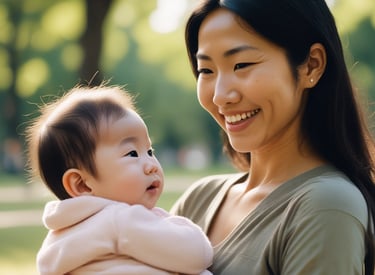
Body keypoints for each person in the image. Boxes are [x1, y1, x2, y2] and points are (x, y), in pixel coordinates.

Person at [170, 0, 375, 274]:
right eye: (206, 70)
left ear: (311, 66)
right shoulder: (199, 200)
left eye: (242, 65)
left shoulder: (326, 205)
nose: (220, 95)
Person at [26, 85, 213, 275]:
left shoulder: (58, 240)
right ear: (82, 184)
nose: (152, 165)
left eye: (149, 151)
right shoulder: (121, 221)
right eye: (132, 153)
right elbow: (197, 254)